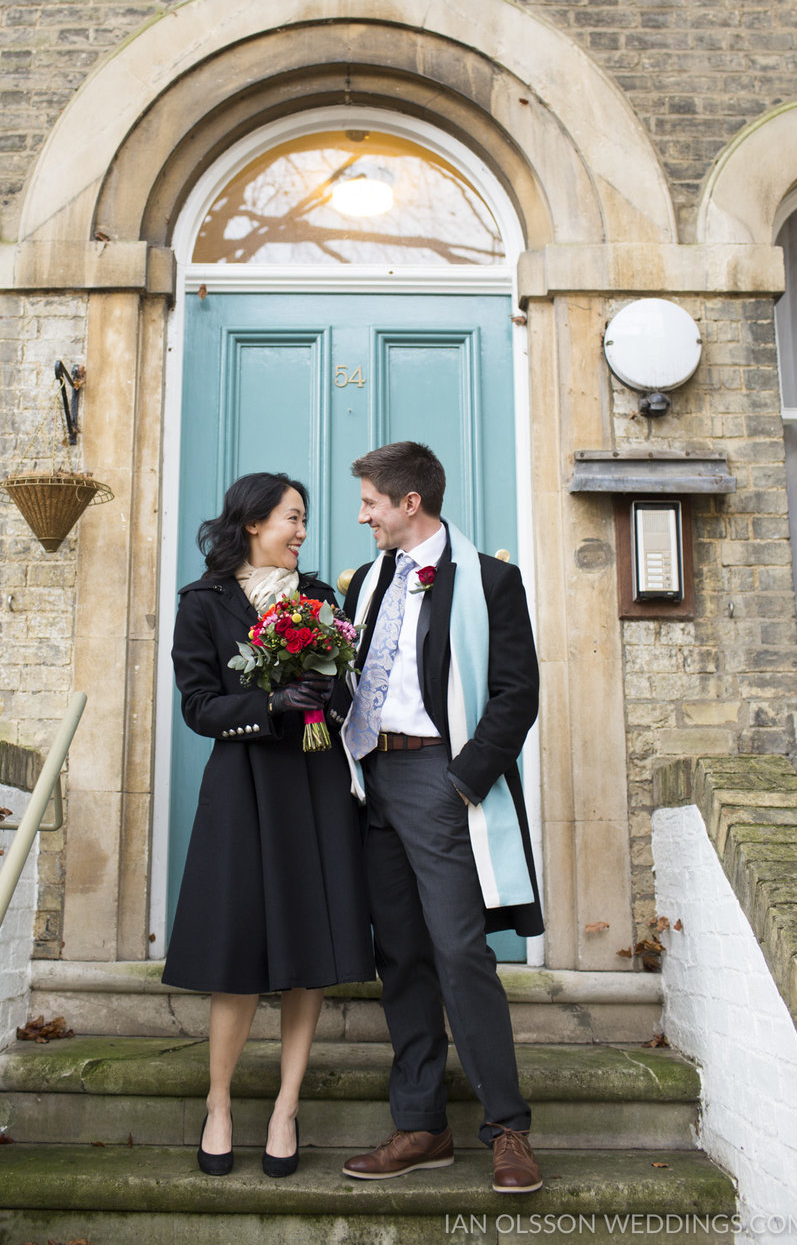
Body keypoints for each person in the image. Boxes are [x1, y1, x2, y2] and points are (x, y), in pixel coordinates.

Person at [334, 441, 544, 1193]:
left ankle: (507, 1130)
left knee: (460, 953)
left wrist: (462, 783)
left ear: (409, 502)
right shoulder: (361, 583)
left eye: (370, 503)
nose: (362, 516)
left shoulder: (491, 580)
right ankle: (421, 1126)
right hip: (371, 780)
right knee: (403, 958)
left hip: (438, 777)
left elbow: (517, 692)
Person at [163, 471, 374, 1179]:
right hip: (245, 785)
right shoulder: (200, 604)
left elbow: (350, 686)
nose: (303, 532)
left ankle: (286, 1107)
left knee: (308, 952)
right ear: (253, 522)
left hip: (315, 785)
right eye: (293, 518)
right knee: (238, 955)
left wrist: (325, 695)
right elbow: (198, 706)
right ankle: (218, 1103)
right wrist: (269, 701)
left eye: (305, 520)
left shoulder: (319, 599)